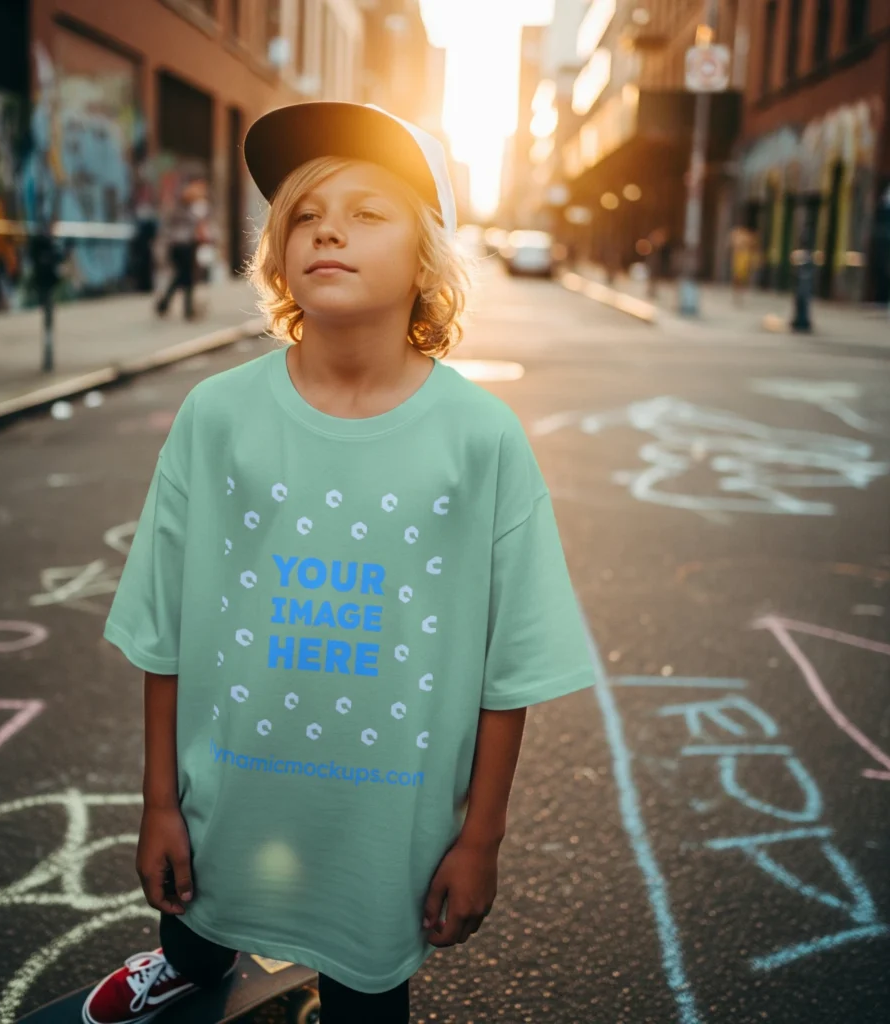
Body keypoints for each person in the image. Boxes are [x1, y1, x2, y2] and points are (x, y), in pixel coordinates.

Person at [84, 101, 596, 1024]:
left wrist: (481, 838)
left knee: (367, 995)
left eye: (367, 213)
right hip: (226, 794)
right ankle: (187, 964)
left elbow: (510, 664)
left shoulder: (481, 439)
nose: (328, 230)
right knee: (195, 920)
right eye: (307, 214)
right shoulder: (216, 416)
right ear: (279, 253)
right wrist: (160, 801)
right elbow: (165, 628)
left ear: (427, 258)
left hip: (385, 830)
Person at [155, 179, 209, 320]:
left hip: (182, 246)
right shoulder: (183, 210)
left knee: (182, 277)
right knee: (185, 277)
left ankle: (168, 305)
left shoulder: (185, 209)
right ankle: (184, 309)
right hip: (182, 246)